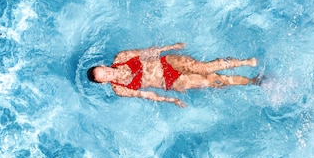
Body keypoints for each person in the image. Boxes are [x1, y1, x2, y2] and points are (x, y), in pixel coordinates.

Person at [87, 43, 260, 107]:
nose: (109, 73)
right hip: (172, 81)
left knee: (204, 68)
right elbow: (146, 94)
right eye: (105, 76)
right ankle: (252, 81)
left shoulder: (121, 57)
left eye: (105, 70)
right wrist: (171, 100)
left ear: (104, 65)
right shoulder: (119, 89)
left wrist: (169, 48)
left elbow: (146, 52)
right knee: (216, 80)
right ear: (104, 82)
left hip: (167, 62)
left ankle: (244, 62)